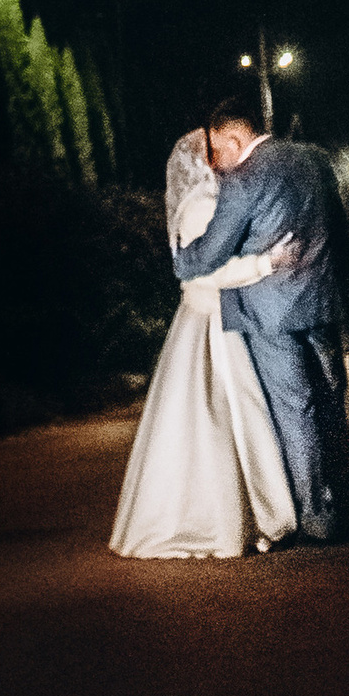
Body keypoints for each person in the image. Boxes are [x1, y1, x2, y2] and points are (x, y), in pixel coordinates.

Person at [163, 100, 349, 546]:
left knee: (297, 412)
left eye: (217, 149)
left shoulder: (245, 176)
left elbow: (212, 251)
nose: (216, 161)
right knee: (333, 403)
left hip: (269, 312)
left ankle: (318, 518)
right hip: (322, 303)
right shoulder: (316, 158)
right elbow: (340, 228)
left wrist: (182, 261)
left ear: (235, 139)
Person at [108, 126, 296, 557]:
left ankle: (248, 514)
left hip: (214, 317)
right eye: (211, 156)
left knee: (226, 418)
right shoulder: (200, 208)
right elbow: (206, 271)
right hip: (211, 323)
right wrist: (266, 263)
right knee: (218, 416)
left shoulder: (203, 203)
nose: (220, 162)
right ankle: (214, 522)